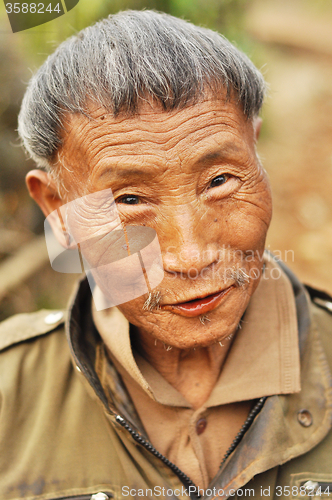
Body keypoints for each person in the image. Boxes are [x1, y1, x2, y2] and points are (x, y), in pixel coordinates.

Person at [1, 10, 332, 500]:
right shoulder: (8, 390)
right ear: (58, 209)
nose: (192, 255)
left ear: (255, 152)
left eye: (220, 181)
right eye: (129, 200)